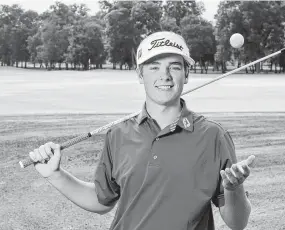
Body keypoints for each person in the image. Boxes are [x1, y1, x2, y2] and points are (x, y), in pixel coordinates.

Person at [29, 31, 256, 230]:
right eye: (154, 67)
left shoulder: (213, 136)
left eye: (174, 67)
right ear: (140, 74)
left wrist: (233, 189)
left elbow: (237, 222)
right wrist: (55, 175)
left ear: (186, 74)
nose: (164, 75)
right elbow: (101, 201)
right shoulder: (118, 134)